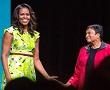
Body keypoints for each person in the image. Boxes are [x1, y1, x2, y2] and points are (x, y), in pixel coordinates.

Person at [1, 3, 58, 90]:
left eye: (27, 14)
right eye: (22, 14)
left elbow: (36, 59)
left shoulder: (35, 35)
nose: (25, 17)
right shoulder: (10, 32)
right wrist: (8, 78)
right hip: (14, 71)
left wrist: (47, 77)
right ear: (17, 16)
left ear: (31, 16)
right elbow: (4, 55)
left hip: (29, 71)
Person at [62, 24, 110, 90]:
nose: (86, 35)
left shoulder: (108, 49)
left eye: (89, 33)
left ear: (98, 35)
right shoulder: (83, 50)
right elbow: (77, 74)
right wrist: (67, 84)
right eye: (86, 33)